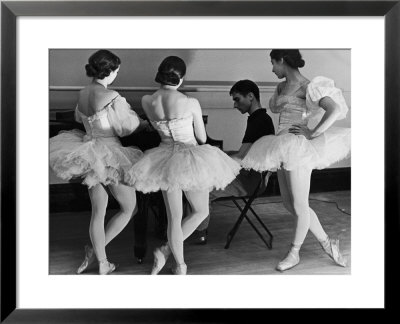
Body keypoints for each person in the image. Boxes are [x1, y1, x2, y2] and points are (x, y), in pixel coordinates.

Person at [126, 56, 241, 275]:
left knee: (173, 218)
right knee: (200, 211)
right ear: (181, 78)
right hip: (189, 158)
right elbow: (202, 138)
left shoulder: (146, 100)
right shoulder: (190, 102)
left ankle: (178, 264)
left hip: (163, 157)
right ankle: (166, 253)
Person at [241, 49, 351, 271]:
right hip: (281, 146)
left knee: (300, 205)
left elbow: (334, 109)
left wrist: (312, 132)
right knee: (289, 204)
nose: (272, 69)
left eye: (273, 63)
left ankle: (294, 253)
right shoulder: (281, 86)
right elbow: (274, 107)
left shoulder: (309, 86)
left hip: (298, 148)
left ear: (282, 60)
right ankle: (327, 243)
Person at [50, 49, 147, 275]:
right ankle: (96, 252)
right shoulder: (112, 96)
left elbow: (77, 118)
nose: (116, 75)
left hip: (89, 151)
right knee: (129, 208)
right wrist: (141, 124)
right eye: (116, 71)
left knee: (98, 211)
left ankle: (102, 261)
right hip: (110, 153)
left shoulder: (83, 92)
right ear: (109, 71)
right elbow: (125, 127)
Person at [192, 80, 275, 244]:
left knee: (202, 188)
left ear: (250, 96)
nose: (235, 105)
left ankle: (199, 232)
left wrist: (211, 159)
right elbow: (244, 154)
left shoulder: (258, 121)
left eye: (237, 99)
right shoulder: (259, 118)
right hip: (251, 173)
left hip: (252, 180)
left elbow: (240, 158)